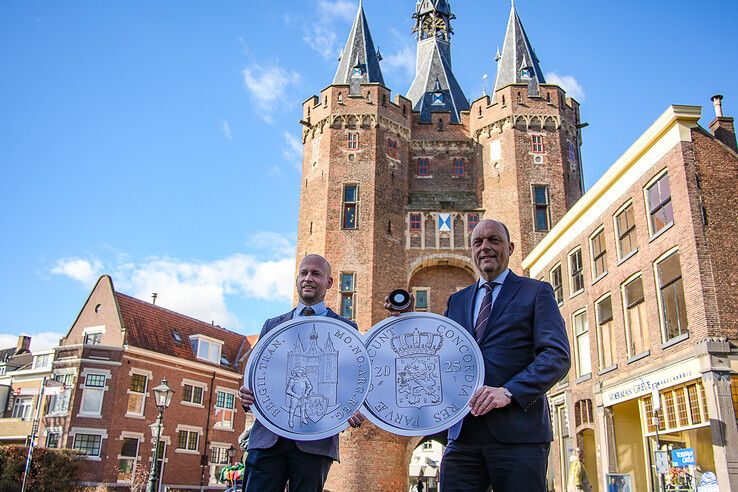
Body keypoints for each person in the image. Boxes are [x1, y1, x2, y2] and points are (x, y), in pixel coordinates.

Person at [387, 219, 570, 492]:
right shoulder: (457, 301)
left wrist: (508, 392)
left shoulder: (536, 292)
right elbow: (439, 356)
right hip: (464, 435)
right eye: (478, 242)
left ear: (510, 247)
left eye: (493, 240)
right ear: (471, 250)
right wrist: (409, 322)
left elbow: (557, 355)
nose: (485, 247)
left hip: (519, 435)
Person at [238, 254, 364, 492]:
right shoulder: (272, 326)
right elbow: (256, 376)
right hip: (268, 438)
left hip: (315, 440)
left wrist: (358, 408)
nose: (308, 278)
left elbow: (356, 380)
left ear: (329, 282)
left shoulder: (346, 330)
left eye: (316, 274)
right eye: (304, 273)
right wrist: (246, 396)